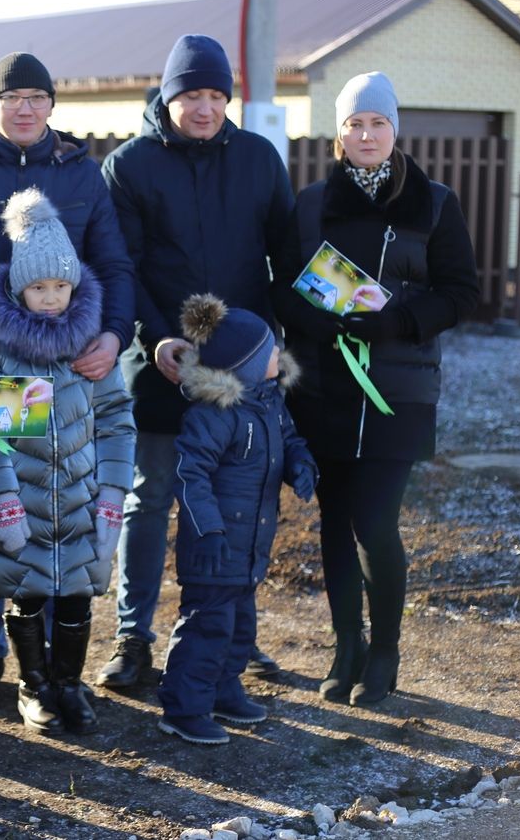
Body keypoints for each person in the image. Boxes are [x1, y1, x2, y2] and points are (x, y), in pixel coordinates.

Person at [0, 52, 136, 705]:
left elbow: (114, 262)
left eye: (36, 97)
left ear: (50, 106)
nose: (24, 107)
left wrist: (113, 334)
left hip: (70, 365)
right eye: (10, 96)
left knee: (61, 506)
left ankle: (50, 673)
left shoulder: (80, 173)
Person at [270, 72, 478, 705]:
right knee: (334, 520)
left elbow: (462, 293)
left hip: (399, 391)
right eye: (355, 124)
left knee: (374, 519)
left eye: (377, 123)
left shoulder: (435, 203)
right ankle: (345, 647)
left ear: (395, 130)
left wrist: (400, 320)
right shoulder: (309, 204)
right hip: (325, 386)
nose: (366, 134)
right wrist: (316, 321)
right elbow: (281, 284)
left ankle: (384, 649)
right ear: (339, 135)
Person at [98, 34, 294, 689]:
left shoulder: (260, 160)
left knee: (236, 499)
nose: (204, 107)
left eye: (216, 94)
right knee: (150, 497)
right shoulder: (129, 165)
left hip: (242, 365)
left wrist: (288, 338)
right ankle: (134, 637)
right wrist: (156, 339)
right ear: (168, 94)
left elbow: (287, 254)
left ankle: (232, 632)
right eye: (191, 94)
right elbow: (120, 266)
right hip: (161, 360)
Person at [0, 189, 136, 734]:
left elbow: (115, 419)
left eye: (59, 286)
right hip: (25, 500)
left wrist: (112, 494)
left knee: (77, 598)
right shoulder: (2, 350)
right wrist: (3, 497)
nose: (50, 297)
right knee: (29, 593)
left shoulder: (89, 347)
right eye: (38, 287)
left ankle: (69, 682)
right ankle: (33, 684)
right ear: (20, 289)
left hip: (85, 501)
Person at [154, 295, 316, 745]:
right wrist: (207, 529)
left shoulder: (268, 401)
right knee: (208, 626)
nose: (277, 355)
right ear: (244, 366)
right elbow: (190, 473)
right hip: (215, 543)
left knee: (239, 626)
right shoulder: (214, 415)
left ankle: (224, 688)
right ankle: (184, 708)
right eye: (269, 351)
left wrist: (300, 464)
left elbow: (289, 439)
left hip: (250, 543)